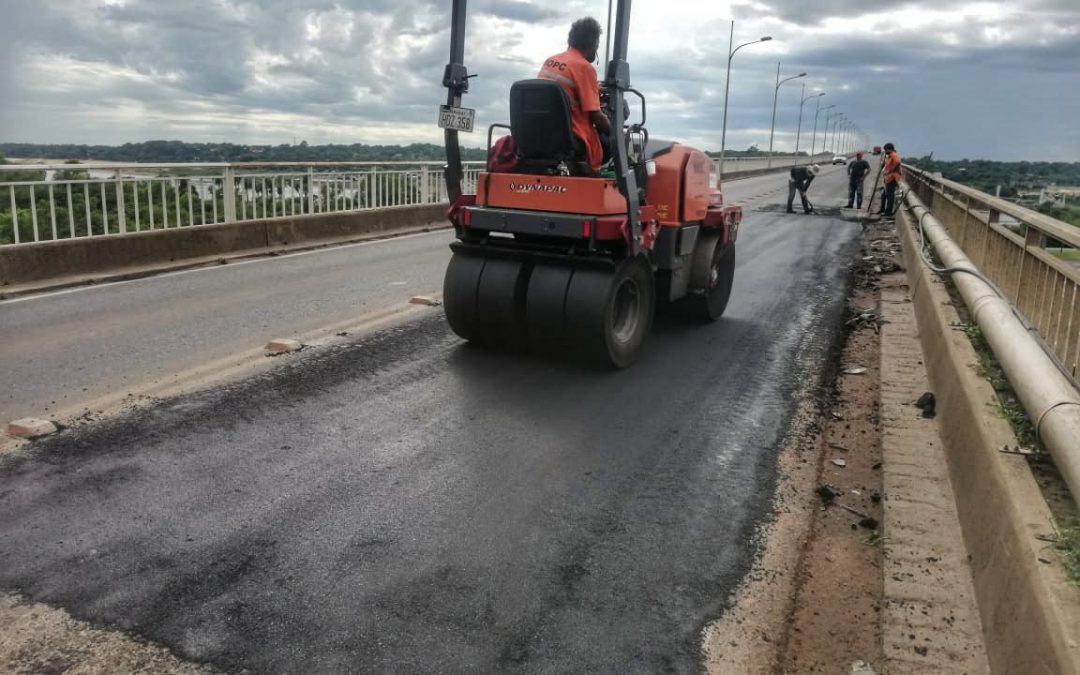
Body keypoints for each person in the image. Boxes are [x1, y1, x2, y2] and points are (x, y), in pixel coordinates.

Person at [538, 17, 611, 172]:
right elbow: (596, 117)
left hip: (542, 133)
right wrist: (614, 131)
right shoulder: (585, 68)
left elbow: (561, 91)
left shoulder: (550, 61)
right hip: (572, 137)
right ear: (594, 44)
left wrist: (593, 89)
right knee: (611, 142)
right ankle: (598, 176)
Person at [878, 142, 902, 217]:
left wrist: (891, 170)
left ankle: (888, 212)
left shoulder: (894, 155)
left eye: (886, 150)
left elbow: (897, 162)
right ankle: (882, 210)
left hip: (892, 178)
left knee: (890, 196)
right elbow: (886, 164)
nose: (885, 151)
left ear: (889, 149)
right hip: (888, 178)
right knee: (884, 196)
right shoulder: (889, 156)